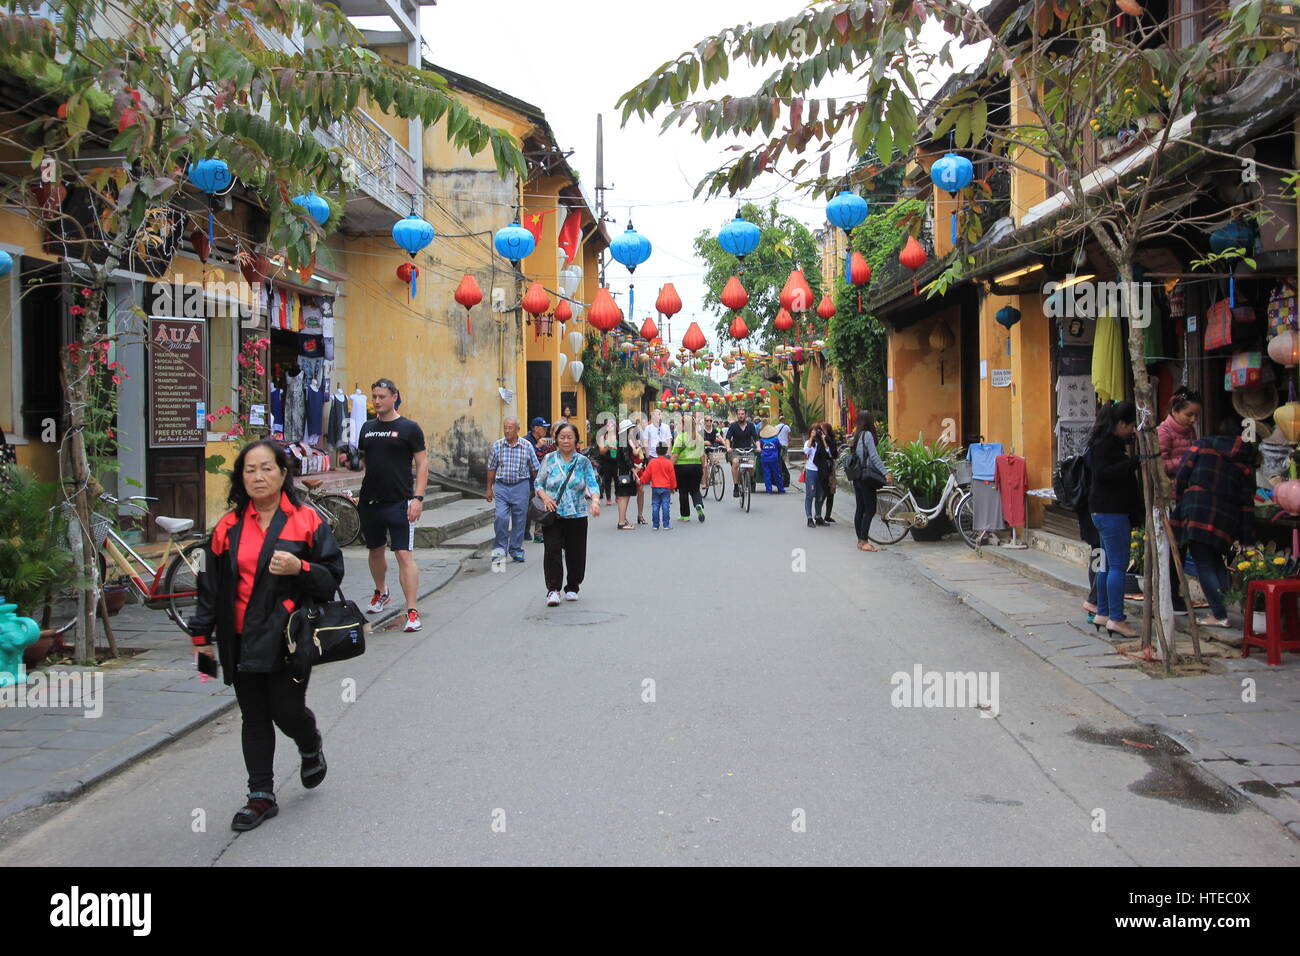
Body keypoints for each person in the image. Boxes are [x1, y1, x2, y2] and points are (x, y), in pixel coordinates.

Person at [187, 439, 345, 832]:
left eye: (266, 468)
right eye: (250, 470)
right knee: (254, 715)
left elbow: (330, 581)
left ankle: (309, 743)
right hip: (239, 637)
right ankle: (260, 795)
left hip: (288, 636)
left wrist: (300, 568)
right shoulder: (227, 526)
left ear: (283, 473)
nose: (258, 477)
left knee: (286, 710)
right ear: (241, 478)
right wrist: (200, 636)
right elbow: (210, 586)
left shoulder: (306, 521)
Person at [356, 378, 428, 633]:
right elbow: (366, 462)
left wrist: (417, 498)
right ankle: (381, 591)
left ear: (394, 396)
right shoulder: (367, 428)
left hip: (400, 502)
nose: (376, 401)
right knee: (375, 551)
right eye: (374, 396)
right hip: (370, 502)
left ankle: (411, 610)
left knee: (403, 555)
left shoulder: (409, 428)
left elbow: (422, 464)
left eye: (381, 396)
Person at [1173, 416, 1257, 628]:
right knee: (1215, 559)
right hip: (1226, 517)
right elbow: (1247, 502)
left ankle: (1219, 614)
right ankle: (1226, 607)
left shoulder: (1202, 446)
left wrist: (1182, 496)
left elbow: (1182, 474)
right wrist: (1247, 536)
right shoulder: (1245, 462)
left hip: (1199, 509)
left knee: (1203, 562)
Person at [1088, 401, 1143, 639]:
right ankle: (1117, 619)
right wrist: (1133, 462)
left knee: (1106, 565)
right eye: (1131, 426)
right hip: (1112, 511)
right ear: (1121, 424)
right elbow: (1103, 474)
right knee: (1118, 566)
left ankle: (1103, 612)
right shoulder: (1105, 446)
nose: (1132, 431)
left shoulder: (1102, 443)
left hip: (1102, 511)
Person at [533, 422, 600, 605]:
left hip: (577, 514)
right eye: (562, 437)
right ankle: (553, 590)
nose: (566, 440)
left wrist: (594, 501)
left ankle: (572, 587)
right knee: (552, 551)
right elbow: (538, 483)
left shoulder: (583, 462)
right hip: (553, 514)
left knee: (576, 553)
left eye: (569, 437)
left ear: (576, 440)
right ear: (556, 440)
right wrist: (545, 498)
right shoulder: (549, 459)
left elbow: (592, 484)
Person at [485, 417, 540, 563]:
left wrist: (540, 488)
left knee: (519, 519)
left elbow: (535, 469)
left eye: (510, 428)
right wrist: (489, 489)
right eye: (505, 427)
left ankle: (516, 549)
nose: (507, 430)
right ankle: (499, 549)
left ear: (517, 430)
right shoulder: (497, 446)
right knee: (501, 517)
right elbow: (491, 468)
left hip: (521, 486)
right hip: (502, 486)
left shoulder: (527, 446)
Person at [850, 412, 892, 551]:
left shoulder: (857, 435)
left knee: (860, 509)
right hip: (866, 477)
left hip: (857, 476)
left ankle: (860, 541)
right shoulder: (867, 435)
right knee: (870, 510)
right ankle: (864, 541)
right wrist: (886, 473)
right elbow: (874, 456)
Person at [1158, 387, 1202, 478]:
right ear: (1174, 411)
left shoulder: (1190, 429)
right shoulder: (1163, 432)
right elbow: (1160, 466)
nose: (1193, 419)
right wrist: (1186, 460)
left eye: (1196, 415)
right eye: (1189, 415)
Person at [670, 413, 707, 522]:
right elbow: (702, 456)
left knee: (683, 491)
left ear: (683, 425)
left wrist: (669, 467)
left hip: (681, 468)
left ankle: (685, 515)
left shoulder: (680, 438)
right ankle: (698, 505)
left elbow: (675, 455)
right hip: (696, 467)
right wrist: (703, 468)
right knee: (695, 490)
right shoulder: (699, 438)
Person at [614, 419, 645, 530]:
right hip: (624, 472)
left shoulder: (623, 440)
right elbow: (626, 458)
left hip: (623, 471)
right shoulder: (624, 441)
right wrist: (633, 468)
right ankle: (622, 522)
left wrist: (634, 467)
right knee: (623, 496)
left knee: (624, 495)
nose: (632, 430)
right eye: (631, 428)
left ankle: (623, 519)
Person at [639, 443, 678, 529]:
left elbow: (647, 475)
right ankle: (666, 524)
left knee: (655, 505)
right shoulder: (669, 463)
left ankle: (655, 525)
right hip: (666, 487)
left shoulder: (652, 462)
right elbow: (672, 477)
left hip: (655, 487)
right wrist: (673, 487)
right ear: (666, 451)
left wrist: (641, 481)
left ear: (656, 451)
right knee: (666, 505)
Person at [723, 408, 759, 496]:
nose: (741, 415)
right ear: (737, 415)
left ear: (745, 415)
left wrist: (758, 447)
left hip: (748, 450)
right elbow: (728, 438)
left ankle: (751, 478)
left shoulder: (751, 426)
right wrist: (728, 448)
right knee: (735, 463)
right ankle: (736, 486)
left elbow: (756, 439)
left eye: (742, 414)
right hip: (736, 450)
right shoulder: (733, 426)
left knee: (751, 464)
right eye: (739, 414)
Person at [803, 424, 832, 526]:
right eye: (814, 431)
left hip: (821, 471)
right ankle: (809, 518)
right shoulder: (808, 442)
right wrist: (811, 438)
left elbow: (828, 452)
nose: (816, 433)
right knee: (810, 495)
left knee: (820, 495)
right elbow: (806, 451)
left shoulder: (821, 443)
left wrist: (823, 439)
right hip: (811, 470)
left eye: (818, 431)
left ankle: (818, 516)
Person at [595, 417, 619, 505]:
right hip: (606, 460)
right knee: (607, 480)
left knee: (617, 479)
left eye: (612, 425)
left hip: (616, 460)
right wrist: (608, 447)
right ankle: (608, 498)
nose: (610, 427)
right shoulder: (603, 436)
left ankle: (617, 495)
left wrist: (617, 449)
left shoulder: (618, 436)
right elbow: (601, 451)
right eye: (608, 426)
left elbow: (621, 450)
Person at [820, 421, 840, 522]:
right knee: (824, 492)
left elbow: (834, 454)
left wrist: (826, 440)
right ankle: (818, 515)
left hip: (829, 468)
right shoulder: (819, 440)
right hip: (823, 468)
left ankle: (827, 515)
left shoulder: (830, 440)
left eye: (822, 429)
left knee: (830, 492)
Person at [758, 423, 785, 494]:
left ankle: (769, 490)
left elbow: (759, 448)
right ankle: (781, 489)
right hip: (774, 459)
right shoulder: (775, 440)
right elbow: (780, 447)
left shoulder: (762, 440)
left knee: (767, 474)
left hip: (764, 459)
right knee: (777, 474)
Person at [775, 415, 792, 486]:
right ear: (784, 420)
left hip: (778, 445)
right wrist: (789, 442)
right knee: (783, 459)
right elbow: (789, 436)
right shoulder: (787, 427)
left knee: (779, 459)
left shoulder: (776, 427)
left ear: (779, 420)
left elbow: (775, 436)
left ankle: (780, 469)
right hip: (785, 445)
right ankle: (783, 471)